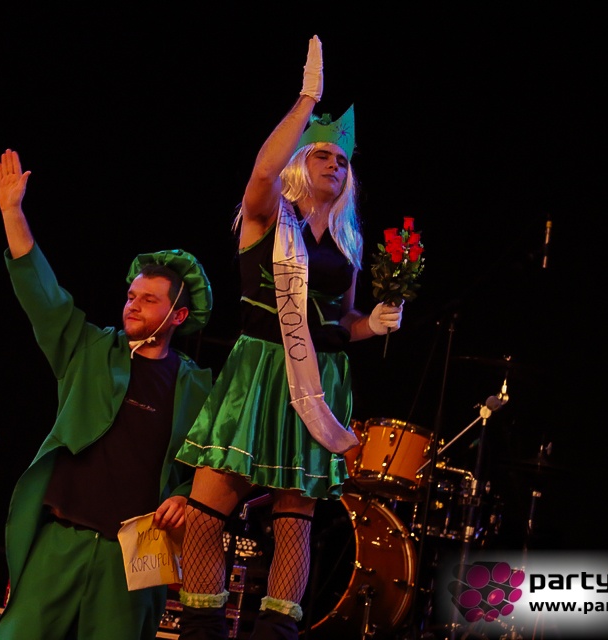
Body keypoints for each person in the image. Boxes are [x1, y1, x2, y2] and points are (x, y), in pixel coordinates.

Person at [173, 36, 403, 639]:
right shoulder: (270, 215)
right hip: (259, 370)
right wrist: (307, 99)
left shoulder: (349, 245)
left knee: (295, 520)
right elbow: (261, 172)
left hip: (318, 381)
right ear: (301, 161)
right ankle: (201, 629)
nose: (335, 166)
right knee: (207, 511)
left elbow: (342, 324)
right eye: (323, 155)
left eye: (343, 161)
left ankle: (276, 634)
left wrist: (373, 323)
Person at [0, 148, 214, 640]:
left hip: (134, 558)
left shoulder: (198, 386)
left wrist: (184, 497)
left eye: (149, 300)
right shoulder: (89, 349)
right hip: (61, 542)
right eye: (131, 296)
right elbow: (43, 296)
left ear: (177, 316)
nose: (133, 305)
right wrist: (12, 212)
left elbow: (207, 466)